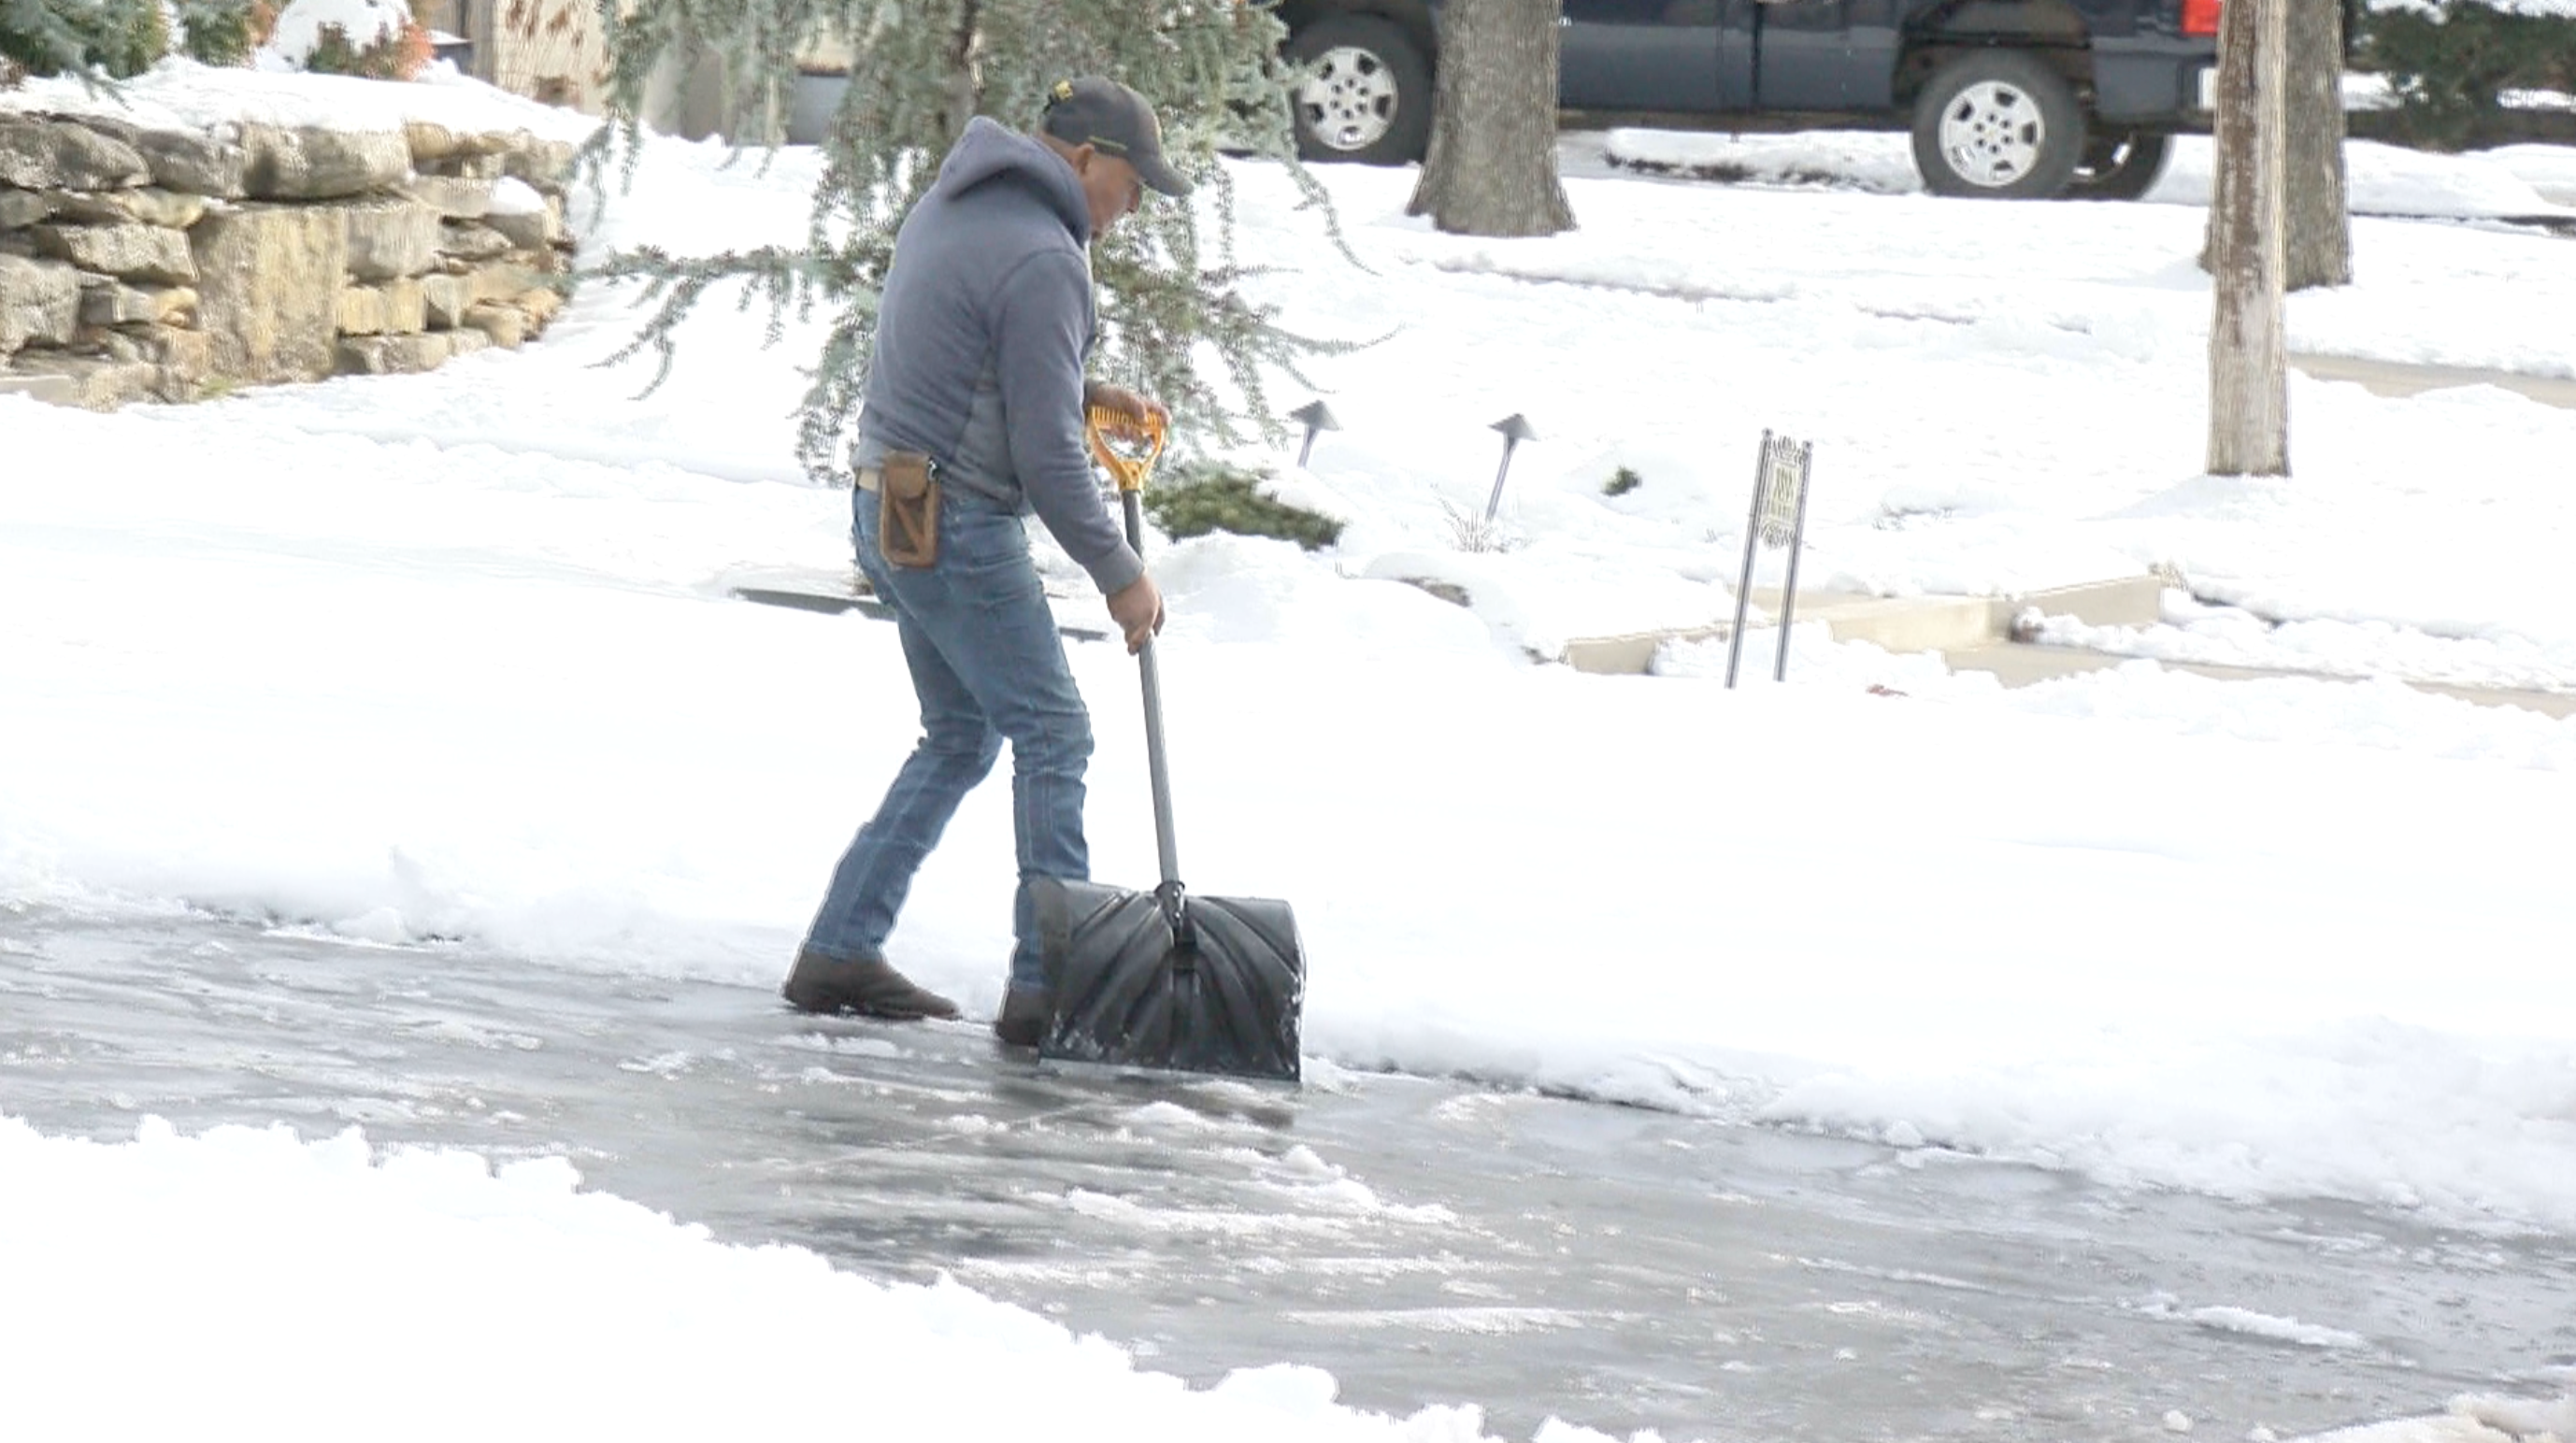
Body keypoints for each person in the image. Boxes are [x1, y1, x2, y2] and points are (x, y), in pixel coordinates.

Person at [781, 78, 1192, 1047]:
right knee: (1054, 731)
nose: (1130, 215)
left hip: (885, 505)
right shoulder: (1047, 257)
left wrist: (1079, 385)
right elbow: (1047, 455)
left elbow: (974, 354)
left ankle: (840, 947)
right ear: (1087, 159)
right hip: (957, 521)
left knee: (961, 734)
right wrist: (1119, 572)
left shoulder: (957, 201)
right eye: (1132, 189)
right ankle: (1047, 983)